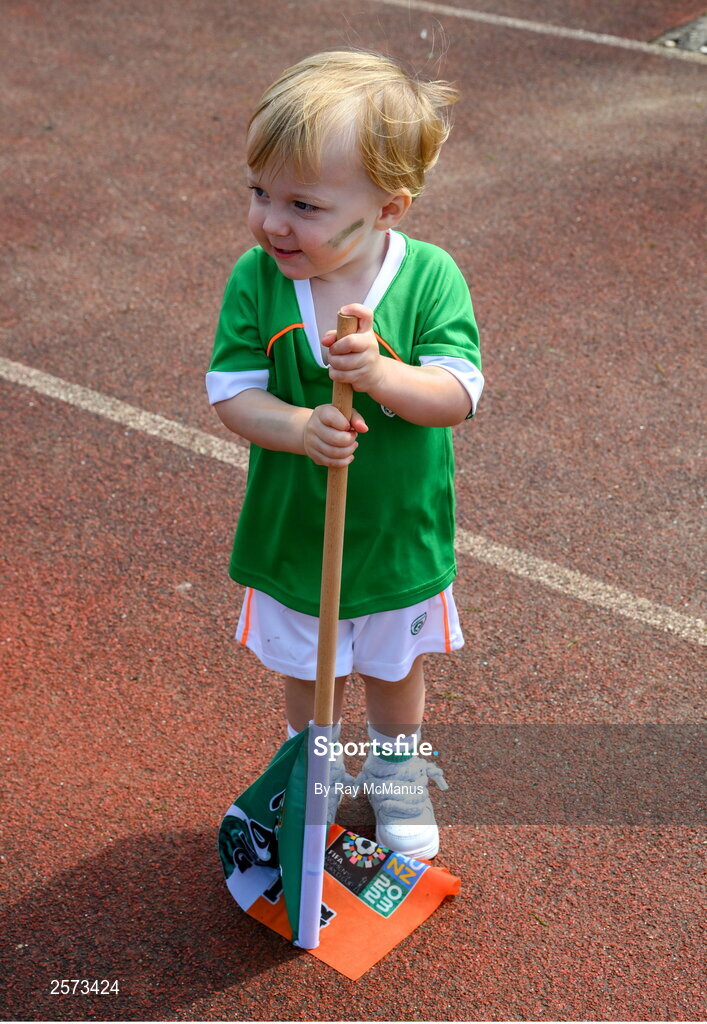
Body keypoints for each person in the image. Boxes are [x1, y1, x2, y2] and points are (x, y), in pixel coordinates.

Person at [206, 49, 483, 860]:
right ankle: (313, 770)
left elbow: (458, 393)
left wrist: (385, 375)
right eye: (259, 192)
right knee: (310, 668)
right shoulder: (256, 280)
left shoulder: (429, 277)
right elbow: (231, 392)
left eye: (304, 204)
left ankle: (395, 779)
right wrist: (294, 427)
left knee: (395, 672)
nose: (270, 221)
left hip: (395, 533)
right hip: (296, 531)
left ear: (389, 208)